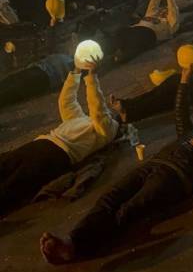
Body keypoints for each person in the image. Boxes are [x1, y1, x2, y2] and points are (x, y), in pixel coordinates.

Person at [39, 66, 193, 264]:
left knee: (128, 210)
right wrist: (183, 81)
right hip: (152, 164)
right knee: (109, 198)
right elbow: (181, 112)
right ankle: (72, 238)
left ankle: (79, 248)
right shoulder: (191, 134)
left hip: (174, 177)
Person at [1, 57, 120, 215]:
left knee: (11, 185)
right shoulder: (83, 120)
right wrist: (75, 73)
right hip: (40, 145)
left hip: (55, 156)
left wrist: (91, 77)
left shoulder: (107, 130)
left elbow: (98, 108)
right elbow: (66, 102)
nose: (113, 104)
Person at [108, 0, 180, 64]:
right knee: (121, 32)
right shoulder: (152, 14)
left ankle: (121, 56)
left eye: (166, 10)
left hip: (150, 35)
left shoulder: (170, 23)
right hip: (135, 30)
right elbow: (154, 3)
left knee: (136, 38)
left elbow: (173, 9)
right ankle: (110, 53)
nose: (163, 10)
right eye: (162, 8)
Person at [0, 53, 73, 108]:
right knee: (14, 90)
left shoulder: (63, 57)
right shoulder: (68, 62)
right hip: (43, 77)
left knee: (12, 85)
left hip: (39, 73)